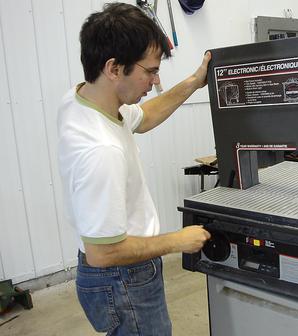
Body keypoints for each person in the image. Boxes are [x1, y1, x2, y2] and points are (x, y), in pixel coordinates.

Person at [57, 3, 211, 335]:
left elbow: (146, 115)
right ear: (114, 68)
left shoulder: (83, 99)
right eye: (150, 71)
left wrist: (194, 82)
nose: (155, 81)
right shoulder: (100, 149)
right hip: (123, 278)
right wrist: (177, 240)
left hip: (112, 277)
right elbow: (103, 252)